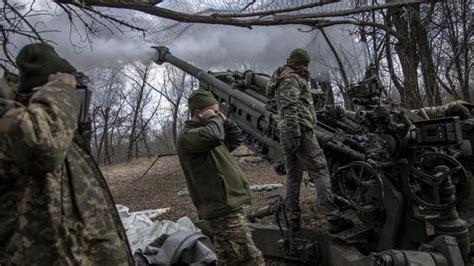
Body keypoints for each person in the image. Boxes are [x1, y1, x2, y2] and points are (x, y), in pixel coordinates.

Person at [0, 43, 133, 265]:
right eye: (70, 97)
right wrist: (61, 90)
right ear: (43, 93)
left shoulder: (62, 136)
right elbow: (42, 146)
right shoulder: (15, 124)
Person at [267, 48, 353, 234]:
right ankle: (333, 217)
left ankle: (293, 218)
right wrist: (296, 136)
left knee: (293, 175)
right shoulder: (291, 79)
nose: (307, 68)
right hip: (300, 132)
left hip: (288, 132)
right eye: (305, 64)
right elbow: (290, 109)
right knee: (320, 171)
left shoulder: (283, 77)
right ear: (298, 64)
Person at [176, 90, 265, 265]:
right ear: (198, 113)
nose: (217, 115)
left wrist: (226, 122)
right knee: (252, 259)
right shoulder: (189, 136)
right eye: (213, 112)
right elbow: (214, 136)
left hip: (226, 205)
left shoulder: (207, 135)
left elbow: (235, 140)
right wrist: (213, 120)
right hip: (221, 207)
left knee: (228, 258)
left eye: (218, 112)